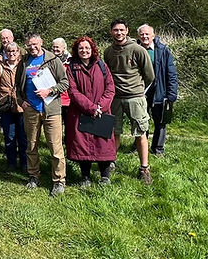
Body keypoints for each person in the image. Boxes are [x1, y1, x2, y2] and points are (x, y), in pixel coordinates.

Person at [14, 33, 70, 196]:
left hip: (51, 110)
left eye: (35, 44)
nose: (32, 47)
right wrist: (21, 101)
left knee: (55, 147)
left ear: (41, 42)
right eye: (29, 45)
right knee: (31, 145)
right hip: (31, 110)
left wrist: (49, 91)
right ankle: (34, 176)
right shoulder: (24, 62)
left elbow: (65, 82)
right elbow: (17, 86)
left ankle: (59, 181)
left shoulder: (53, 60)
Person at [103, 19, 155, 184]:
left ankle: (144, 168)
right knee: (113, 132)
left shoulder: (138, 50)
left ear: (127, 31)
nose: (118, 33)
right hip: (115, 98)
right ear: (111, 32)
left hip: (135, 97)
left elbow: (149, 75)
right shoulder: (108, 52)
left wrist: (137, 88)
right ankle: (110, 162)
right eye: (115, 30)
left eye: (121, 30)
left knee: (140, 133)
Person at [65, 36, 117, 186]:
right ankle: (85, 177)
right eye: (81, 48)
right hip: (81, 112)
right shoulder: (72, 68)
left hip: (102, 112)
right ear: (76, 50)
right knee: (83, 145)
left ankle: (105, 176)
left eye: (87, 48)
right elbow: (73, 91)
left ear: (92, 49)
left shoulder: (102, 65)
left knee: (103, 144)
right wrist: (91, 108)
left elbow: (110, 88)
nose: (84, 51)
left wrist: (101, 107)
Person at [138, 25, 179, 156]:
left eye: (147, 34)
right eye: (142, 34)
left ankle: (158, 149)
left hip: (159, 91)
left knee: (160, 122)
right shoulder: (134, 49)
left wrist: (172, 93)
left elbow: (171, 73)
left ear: (153, 35)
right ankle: (139, 147)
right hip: (140, 92)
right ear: (138, 36)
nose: (145, 36)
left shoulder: (163, 50)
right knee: (141, 121)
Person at [0, 41, 27, 173]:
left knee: (23, 137)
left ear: (18, 52)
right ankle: (11, 163)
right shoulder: (0, 66)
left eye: (14, 51)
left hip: (21, 105)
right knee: (9, 136)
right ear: (5, 53)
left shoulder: (23, 65)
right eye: (9, 51)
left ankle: (25, 163)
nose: (11, 53)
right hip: (6, 106)